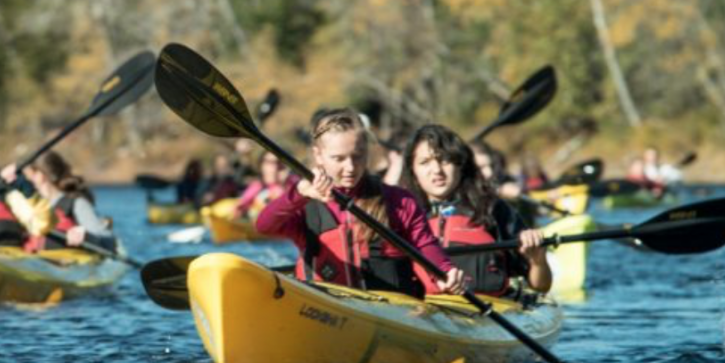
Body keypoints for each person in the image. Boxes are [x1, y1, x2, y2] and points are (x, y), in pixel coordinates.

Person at [256, 108, 466, 297]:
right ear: (318, 155)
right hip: (325, 309)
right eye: (339, 158)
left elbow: (425, 245)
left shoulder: (399, 201)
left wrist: (445, 272)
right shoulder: (304, 206)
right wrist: (298, 193)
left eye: (358, 156)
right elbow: (264, 226)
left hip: (390, 312)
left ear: (367, 151)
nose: (350, 167)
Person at [402, 124, 552, 296]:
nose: (437, 170)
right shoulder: (402, 214)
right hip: (421, 308)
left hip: (487, 307)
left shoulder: (493, 209)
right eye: (424, 162)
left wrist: (538, 261)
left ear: (460, 165)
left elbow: (542, 286)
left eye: (445, 160)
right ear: (413, 171)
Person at [2, 151, 115, 253]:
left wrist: (86, 237)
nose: (21, 181)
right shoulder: (25, 207)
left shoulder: (76, 204)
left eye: (25, 176)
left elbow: (109, 243)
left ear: (39, 176)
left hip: (68, 264)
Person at [232, 150, 290, 220]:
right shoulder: (256, 186)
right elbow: (238, 207)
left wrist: (282, 185)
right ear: (261, 165)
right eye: (269, 163)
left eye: (278, 163)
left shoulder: (289, 186)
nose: (274, 168)